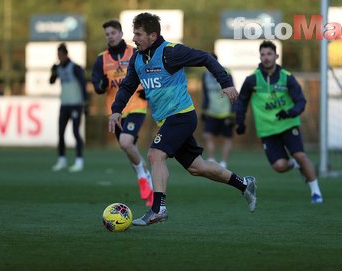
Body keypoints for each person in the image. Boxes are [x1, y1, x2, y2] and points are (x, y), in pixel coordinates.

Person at [108, 12, 257, 227]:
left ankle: (158, 209)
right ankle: (244, 184)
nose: (134, 38)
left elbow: (206, 58)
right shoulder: (137, 58)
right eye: (134, 33)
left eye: (138, 34)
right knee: (198, 168)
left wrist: (225, 82)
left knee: (154, 154)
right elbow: (128, 86)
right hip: (167, 120)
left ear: (152, 35)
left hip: (181, 116)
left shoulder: (170, 52)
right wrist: (116, 110)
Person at [235, 40, 323, 204]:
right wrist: (240, 122)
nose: (266, 57)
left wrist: (290, 112)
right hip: (267, 130)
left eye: (269, 54)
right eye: (263, 54)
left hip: (288, 124)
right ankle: (296, 165)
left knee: (300, 154)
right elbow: (241, 102)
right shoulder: (252, 80)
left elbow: (301, 101)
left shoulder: (287, 78)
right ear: (260, 57)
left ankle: (316, 192)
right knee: (279, 166)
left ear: (276, 56)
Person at [92, 19, 153, 206]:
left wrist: (147, 88)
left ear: (120, 33)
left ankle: (143, 176)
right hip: (116, 111)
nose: (110, 36)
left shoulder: (134, 52)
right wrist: (100, 85)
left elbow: (150, 71)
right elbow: (97, 85)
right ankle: (146, 177)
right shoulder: (101, 59)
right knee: (128, 148)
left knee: (126, 143)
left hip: (136, 106)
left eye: (113, 32)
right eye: (107, 34)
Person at [50, 43, 87, 172]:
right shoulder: (58, 67)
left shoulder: (75, 68)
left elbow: (83, 84)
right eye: (58, 55)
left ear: (66, 54)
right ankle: (61, 160)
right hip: (64, 104)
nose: (59, 58)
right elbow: (51, 81)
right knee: (60, 133)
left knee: (76, 132)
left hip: (76, 104)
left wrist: (85, 102)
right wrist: (53, 72)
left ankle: (79, 160)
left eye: (61, 55)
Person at [201, 53, 235, 169]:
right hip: (212, 111)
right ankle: (211, 159)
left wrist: (233, 112)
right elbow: (205, 94)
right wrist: (204, 109)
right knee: (206, 135)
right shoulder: (205, 75)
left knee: (227, 138)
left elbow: (232, 91)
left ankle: (224, 162)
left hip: (226, 112)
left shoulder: (226, 73)